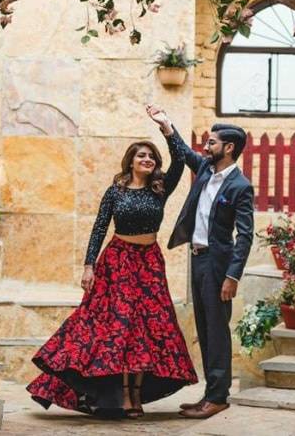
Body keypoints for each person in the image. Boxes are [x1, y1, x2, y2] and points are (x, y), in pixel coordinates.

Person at [26, 135, 197, 418]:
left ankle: (136, 394)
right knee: (120, 326)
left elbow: (180, 159)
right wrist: (88, 265)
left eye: (151, 156)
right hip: (118, 262)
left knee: (146, 327)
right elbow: (99, 228)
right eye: (141, 155)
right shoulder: (115, 192)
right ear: (130, 161)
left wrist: (167, 129)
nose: (147, 159)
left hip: (150, 263)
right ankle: (125, 395)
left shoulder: (160, 188)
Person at [146, 104, 254, 419]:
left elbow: (245, 236)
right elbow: (181, 152)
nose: (206, 147)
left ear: (229, 148)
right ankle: (210, 393)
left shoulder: (241, 187)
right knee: (205, 329)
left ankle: (218, 396)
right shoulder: (206, 169)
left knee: (217, 330)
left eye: (212, 143)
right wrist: (166, 124)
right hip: (197, 260)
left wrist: (232, 277)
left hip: (219, 265)